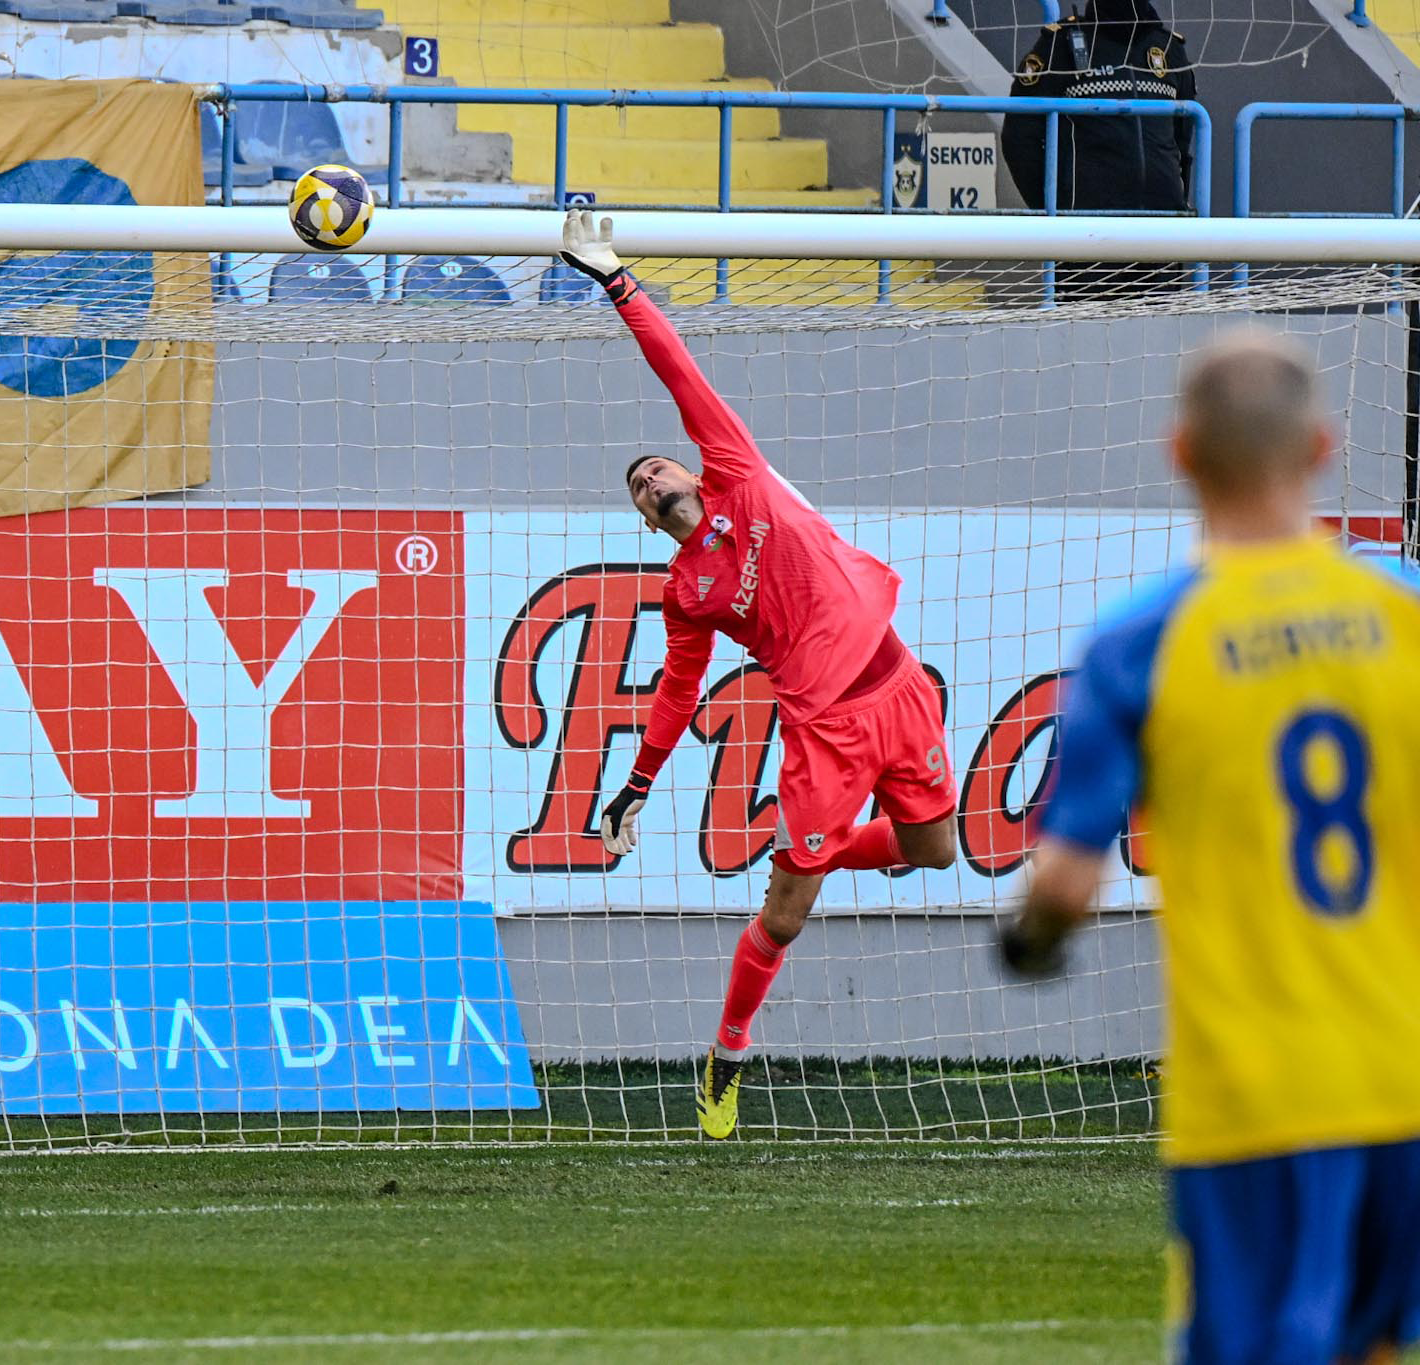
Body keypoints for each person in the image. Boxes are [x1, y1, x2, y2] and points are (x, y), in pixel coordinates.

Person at [1000, 333, 1420, 1364]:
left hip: (1253, 1094)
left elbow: (1066, 880)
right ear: (1320, 447)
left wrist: (1030, 941)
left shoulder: (1142, 641)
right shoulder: (1401, 612)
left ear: (1180, 452)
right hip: (1403, 1079)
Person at [557, 211, 957, 1141]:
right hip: (825, 729)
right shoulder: (686, 592)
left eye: (657, 465)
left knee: (937, 850)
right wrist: (636, 786)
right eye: (638, 486)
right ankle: (727, 1055)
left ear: (692, 469)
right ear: (646, 519)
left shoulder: (738, 474)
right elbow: (676, 692)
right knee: (787, 912)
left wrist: (615, 280)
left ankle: (813, 847)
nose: (650, 478)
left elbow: (679, 373)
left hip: (898, 685)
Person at [1002, 0, 1197, 296]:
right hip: (1088, 238)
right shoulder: (1060, 45)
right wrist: (1056, 207)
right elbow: (1019, 137)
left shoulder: (1169, 48)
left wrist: (1174, 204)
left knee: (1164, 325)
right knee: (1089, 325)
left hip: (1162, 234)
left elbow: (1183, 142)